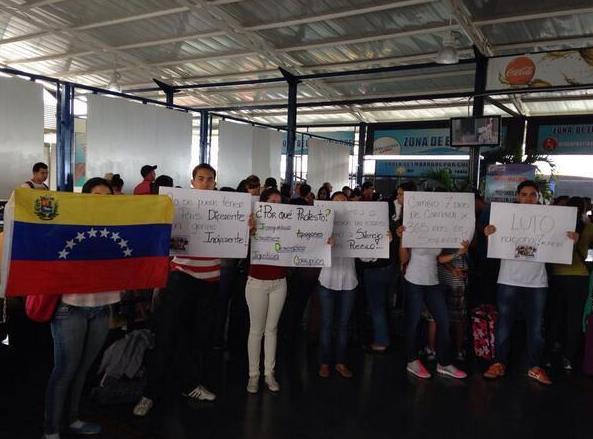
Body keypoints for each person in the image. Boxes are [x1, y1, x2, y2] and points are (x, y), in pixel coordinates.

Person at [133, 164, 219, 417]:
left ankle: (191, 384)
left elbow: (234, 243)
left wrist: (247, 229)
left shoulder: (227, 208)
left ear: (215, 182)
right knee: (166, 337)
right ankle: (150, 393)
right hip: (181, 278)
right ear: (192, 181)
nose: (205, 183)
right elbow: (167, 239)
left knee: (199, 338)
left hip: (210, 282)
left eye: (210, 179)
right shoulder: (179, 205)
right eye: (201, 179)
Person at [43, 177, 121, 439]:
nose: (101, 199)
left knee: (83, 369)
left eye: (107, 196)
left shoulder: (122, 226)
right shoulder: (69, 224)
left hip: (102, 308)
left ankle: (73, 418)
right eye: (95, 194)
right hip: (70, 308)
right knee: (65, 370)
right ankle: (51, 429)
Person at [483, 180, 577, 385]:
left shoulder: (551, 218)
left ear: (538, 197)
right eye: (524, 194)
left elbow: (558, 244)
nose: (528, 198)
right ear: (517, 196)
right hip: (508, 279)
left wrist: (570, 239)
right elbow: (493, 245)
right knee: (504, 325)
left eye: (532, 194)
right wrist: (488, 234)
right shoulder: (505, 218)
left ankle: (534, 366)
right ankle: (499, 363)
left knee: (536, 327)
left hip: (537, 282)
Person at [397, 227, 469, 380]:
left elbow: (437, 258)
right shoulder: (413, 227)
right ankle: (412, 360)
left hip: (433, 281)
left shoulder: (439, 229)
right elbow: (403, 260)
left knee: (444, 321)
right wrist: (403, 240)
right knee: (413, 322)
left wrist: (457, 254)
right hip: (414, 281)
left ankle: (443, 363)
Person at [245, 188, 287, 393]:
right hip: (257, 282)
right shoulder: (253, 221)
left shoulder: (287, 224)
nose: (276, 206)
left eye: (280, 203)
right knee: (256, 330)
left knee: (272, 330)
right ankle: (253, 374)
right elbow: (240, 244)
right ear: (262, 204)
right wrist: (250, 229)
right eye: (272, 202)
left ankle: (269, 373)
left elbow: (304, 243)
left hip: (279, 282)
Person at [549, 196, 593, 371]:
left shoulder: (556, 226)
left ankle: (550, 354)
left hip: (557, 276)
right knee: (574, 319)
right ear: (584, 210)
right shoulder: (589, 227)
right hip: (579, 277)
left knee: (555, 316)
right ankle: (569, 357)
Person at [318, 191, 356, 378]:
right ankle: (324, 362)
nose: (340, 206)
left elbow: (368, 254)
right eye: (336, 203)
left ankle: (340, 362)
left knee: (343, 325)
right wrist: (324, 244)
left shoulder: (355, 225)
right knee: (326, 323)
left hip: (349, 281)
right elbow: (312, 250)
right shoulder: (321, 224)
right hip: (327, 280)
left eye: (344, 203)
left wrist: (382, 241)